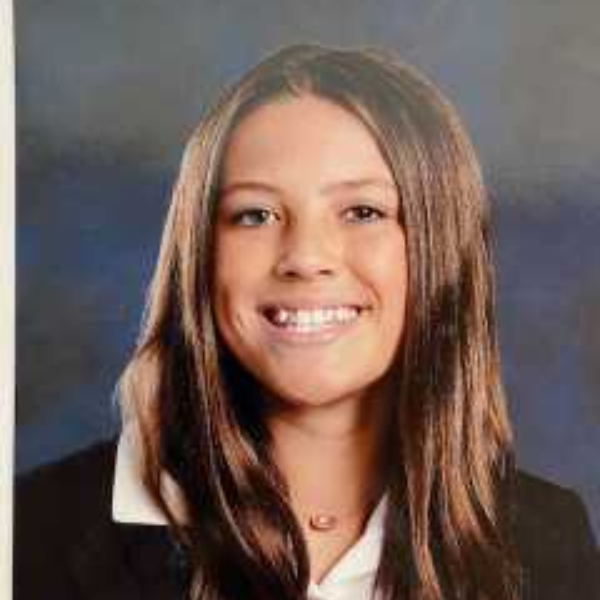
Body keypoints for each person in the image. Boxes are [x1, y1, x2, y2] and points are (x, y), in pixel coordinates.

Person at [15, 44, 600, 600]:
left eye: (363, 211)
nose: (305, 256)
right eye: (255, 214)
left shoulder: (548, 542)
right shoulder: (35, 529)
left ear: (442, 247)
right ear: (199, 255)